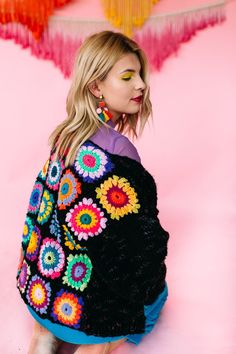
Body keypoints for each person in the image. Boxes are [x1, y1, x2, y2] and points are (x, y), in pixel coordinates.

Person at [16, 30, 170, 354]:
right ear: (96, 85)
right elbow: (135, 245)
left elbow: (40, 213)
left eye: (140, 74)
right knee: (156, 298)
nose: (140, 84)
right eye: (127, 76)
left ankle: (44, 334)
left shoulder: (64, 136)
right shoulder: (120, 152)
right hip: (89, 307)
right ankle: (97, 345)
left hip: (46, 290)